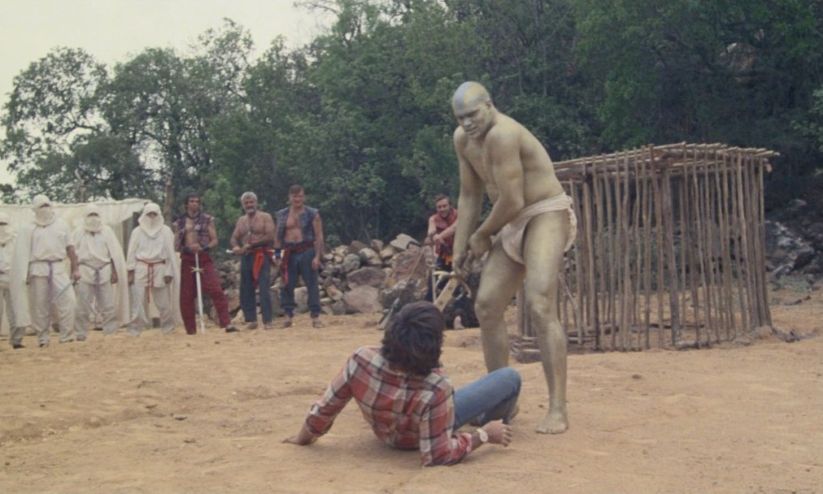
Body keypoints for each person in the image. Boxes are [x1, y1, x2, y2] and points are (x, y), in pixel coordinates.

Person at [450, 81, 577, 434]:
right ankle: (502, 401)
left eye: (473, 114)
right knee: (487, 305)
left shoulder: (503, 134)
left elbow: (513, 199)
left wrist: (481, 234)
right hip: (511, 222)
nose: (467, 123)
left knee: (540, 303)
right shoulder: (463, 140)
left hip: (544, 212)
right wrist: (459, 247)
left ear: (489, 105)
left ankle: (557, 408)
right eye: (460, 118)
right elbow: (469, 195)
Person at [284, 301, 520, 466]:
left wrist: (302, 438)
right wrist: (483, 435)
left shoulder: (361, 360)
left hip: (386, 433)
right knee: (509, 378)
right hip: (427, 427)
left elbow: (326, 408)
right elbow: (437, 455)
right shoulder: (437, 388)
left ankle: (479, 416)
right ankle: (487, 419)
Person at [10, 195, 80, 347]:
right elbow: (22, 254)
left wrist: (75, 268)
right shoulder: (28, 228)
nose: (45, 209)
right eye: (41, 206)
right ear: (34, 209)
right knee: (40, 305)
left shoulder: (62, 224)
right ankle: (43, 338)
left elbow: (70, 247)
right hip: (37, 268)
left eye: (47, 205)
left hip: (58, 267)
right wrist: (24, 274)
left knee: (69, 301)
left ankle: (66, 335)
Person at [174, 193, 236, 334]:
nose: (194, 203)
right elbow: (176, 245)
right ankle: (191, 330)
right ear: (186, 204)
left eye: (197, 201)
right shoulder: (179, 222)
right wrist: (187, 248)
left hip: (204, 257)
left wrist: (204, 247)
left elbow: (214, 240)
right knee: (186, 295)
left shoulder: (207, 219)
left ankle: (226, 323)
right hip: (187, 258)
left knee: (215, 289)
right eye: (191, 201)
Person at [72, 204, 129, 338]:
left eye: (95, 214)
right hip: (85, 271)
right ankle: (80, 333)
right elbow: (72, 253)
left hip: (104, 270)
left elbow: (114, 253)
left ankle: (110, 331)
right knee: (82, 305)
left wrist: (114, 272)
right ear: (85, 216)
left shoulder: (107, 231)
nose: (93, 218)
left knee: (108, 304)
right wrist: (74, 271)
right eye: (90, 215)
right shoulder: (78, 232)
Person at [274, 185, 325, 328]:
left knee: (312, 283)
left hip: (307, 249)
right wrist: (277, 255)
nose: (297, 199)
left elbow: (319, 236)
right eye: (295, 196)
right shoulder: (282, 214)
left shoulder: (312, 213)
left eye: (300, 196)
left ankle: (315, 316)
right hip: (289, 251)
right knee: (287, 283)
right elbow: (277, 236)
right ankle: (288, 315)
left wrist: (317, 256)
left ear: (304, 197)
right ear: (290, 198)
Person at [126, 202, 181, 335]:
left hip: (159, 267)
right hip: (141, 267)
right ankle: (135, 329)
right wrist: (130, 271)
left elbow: (170, 253)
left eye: (154, 214)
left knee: (163, 301)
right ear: (144, 215)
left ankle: (168, 327)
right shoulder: (137, 232)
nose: (151, 217)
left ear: (159, 215)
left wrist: (169, 271)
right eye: (149, 214)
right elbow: (131, 252)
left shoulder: (166, 231)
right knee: (137, 301)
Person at [230, 191, 275, 330]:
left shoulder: (265, 217)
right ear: (243, 205)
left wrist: (252, 244)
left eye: (251, 202)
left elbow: (270, 236)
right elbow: (234, 237)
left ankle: (268, 320)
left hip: (261, 254)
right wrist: (236, 247)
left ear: (256, 203)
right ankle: (251, 319)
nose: (249, 205)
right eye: (246, 203)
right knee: (246, 288)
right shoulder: (241, 220)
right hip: (246, 256)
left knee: (264, 287)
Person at [425, 194, 458, 272]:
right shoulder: (433, 219)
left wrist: (439, 236)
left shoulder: (459, 214)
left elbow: (454, 228)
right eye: (439, 207)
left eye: (444, 206)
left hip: (459, 252)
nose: (442, 209)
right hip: (444, 254)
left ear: (450, 205)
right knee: (437, 275)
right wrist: (432, 235)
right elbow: (431, 232)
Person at [0, 213, 17, 344]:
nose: (1, 227)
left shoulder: (16, 240)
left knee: (15, 310)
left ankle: (16, 340)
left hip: (12, 277)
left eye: (3, 224)